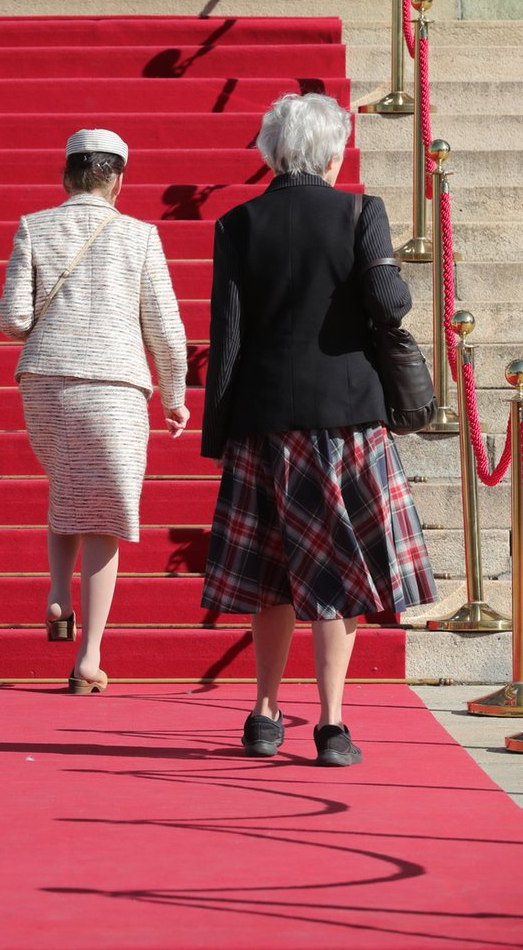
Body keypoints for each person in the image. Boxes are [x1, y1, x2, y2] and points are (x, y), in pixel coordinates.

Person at [200, 92, 436, 766]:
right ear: (334, 152)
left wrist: (219, 435)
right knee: (339, 571)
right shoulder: (362, 211)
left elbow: (229, 338)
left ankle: (264, 714)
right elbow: (392, 305)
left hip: (264, 419)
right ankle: (331, 724)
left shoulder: (238, 222)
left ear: (273, 153)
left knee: (268, 576)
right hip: (348, 415)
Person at [0, 128, 189, 694]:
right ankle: (89, 656)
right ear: (118, 179)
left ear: (68, 174)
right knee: (106, 511)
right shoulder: (140, 236)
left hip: (45, 378)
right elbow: (167, 330)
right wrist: (175, 395)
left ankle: (59, 593)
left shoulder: (34, 226)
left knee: (66, 485)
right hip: (114, 383)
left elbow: (12, 319)